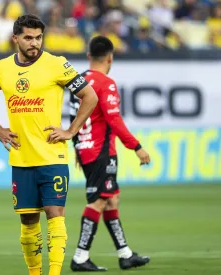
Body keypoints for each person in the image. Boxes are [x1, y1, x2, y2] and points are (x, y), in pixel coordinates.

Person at [0, 14, 98, 275]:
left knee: (56, 214)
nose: (34, 43)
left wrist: (70, 131)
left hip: (52, 156)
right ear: (15, 39)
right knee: (28, 221)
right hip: (21, 159)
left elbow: (90, 96)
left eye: (38, 37)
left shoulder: (57, 65)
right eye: (29, 38)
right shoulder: (1, 69)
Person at [69, 36, 151, 272]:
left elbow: (74, 116)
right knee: (98, 201)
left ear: (88, 56)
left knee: (111, 198)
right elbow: (113, 119)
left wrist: (77, 145)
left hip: (85, 148)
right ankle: (80, 257)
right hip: (100, 150)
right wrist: (136, 146)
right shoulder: (106, 83)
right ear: (110, 58)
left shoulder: (78, 81)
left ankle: (125, 254)